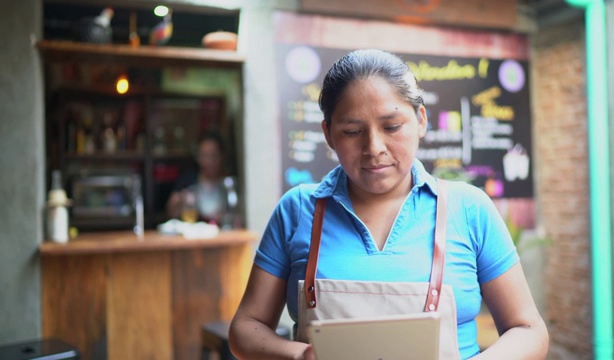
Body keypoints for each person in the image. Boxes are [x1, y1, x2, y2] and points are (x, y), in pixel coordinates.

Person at [229, 49, 548, 359]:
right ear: (328, 134)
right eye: (352, 131)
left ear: (421, 120)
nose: (374, 147)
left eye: (392, 127)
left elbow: (529, 331)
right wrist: (301, 355)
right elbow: (246, 328)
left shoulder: (469, 209)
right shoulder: (297, 211)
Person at [165, 131, 230, 224]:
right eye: (204, 156)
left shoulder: (228, 182)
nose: (209, 161)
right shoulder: (188, 180)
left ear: (222, 156)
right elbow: (171, 212)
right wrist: (180, 203)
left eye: (213, 155)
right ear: (198, 157)